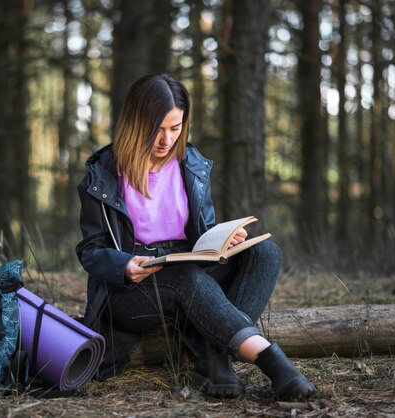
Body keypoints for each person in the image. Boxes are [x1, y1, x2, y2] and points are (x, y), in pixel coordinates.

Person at [75, 73, 315, 400]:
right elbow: (90, 251)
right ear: (135, 122)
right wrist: (124, 265)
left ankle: (213, 358)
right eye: (157, 129)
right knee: (185, 277)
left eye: (175, 128)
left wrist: (224, 240)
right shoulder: (101, 175)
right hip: (130, 290)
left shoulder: (192, 165)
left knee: (265, 253)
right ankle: (271, 361)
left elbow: (201, 235)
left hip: (187, 268)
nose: (166, 139)